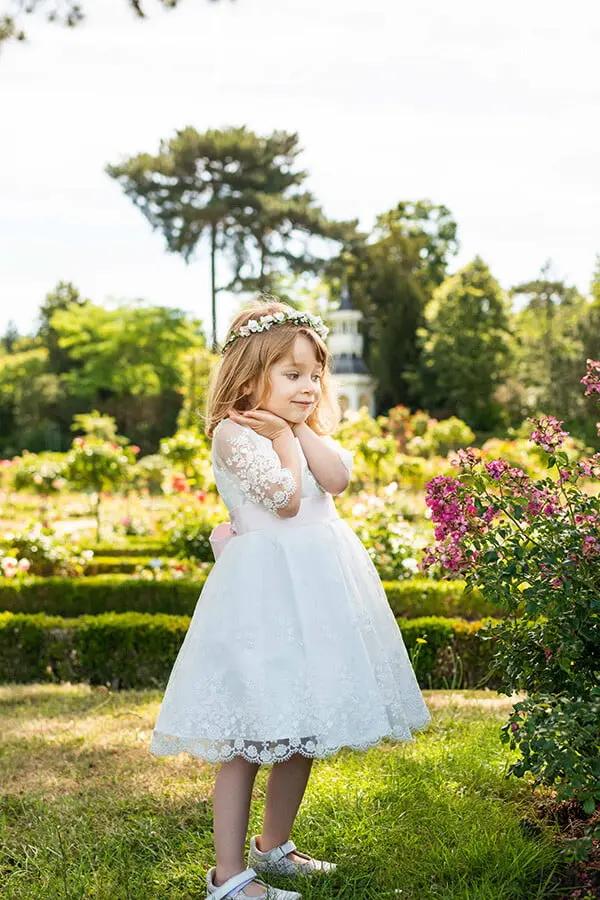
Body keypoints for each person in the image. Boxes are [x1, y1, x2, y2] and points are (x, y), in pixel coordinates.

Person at [150, 294, 432, 900]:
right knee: (249, 738)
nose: (308, 386)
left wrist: (298, 428)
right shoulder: (234, 435)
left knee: (304, 724)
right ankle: (228, 877)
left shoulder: (303, 429)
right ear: (250, 375)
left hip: (316, 594)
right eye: (292, 374)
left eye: (314, 375)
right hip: (266, 598)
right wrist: (281, 437)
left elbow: (336, 480)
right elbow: (284, 499)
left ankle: (273, 845)